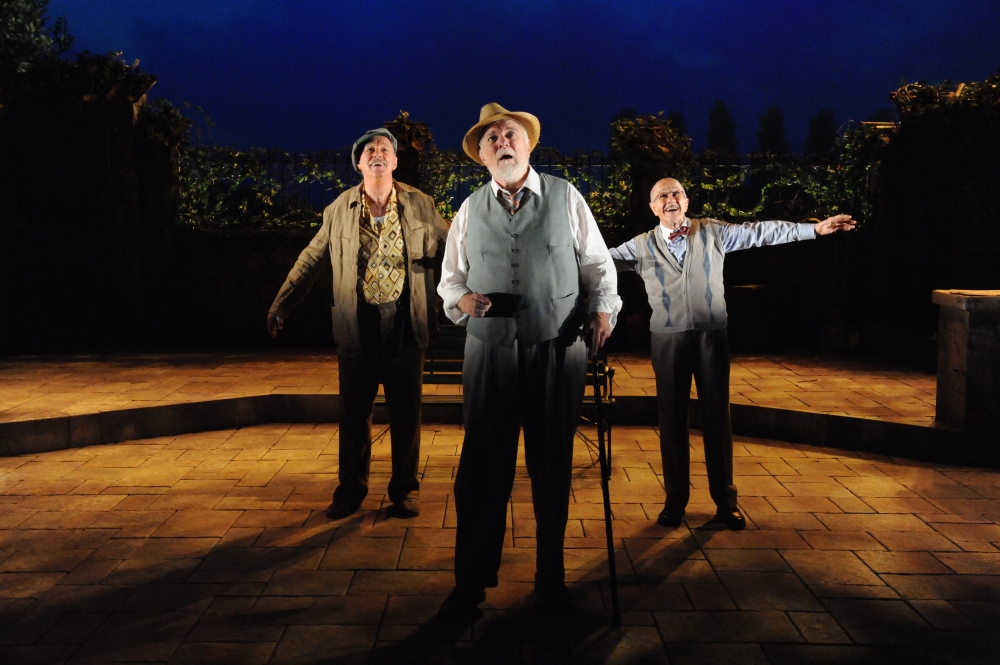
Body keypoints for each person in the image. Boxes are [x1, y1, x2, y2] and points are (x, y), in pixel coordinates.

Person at [436, 103, 621, 618]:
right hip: (489, 351)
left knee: (552, 463)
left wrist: (604, 308)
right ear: (483, 155)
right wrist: (462, 301)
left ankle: (550, 576)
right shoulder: (471, 207)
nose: (502, 141)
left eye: (509, 133)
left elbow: (598, 264)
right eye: (491, 138)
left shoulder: (566, 197)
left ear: (528, 145)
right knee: (482, 465)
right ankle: (472, 579)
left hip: (557, 348)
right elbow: (449, 280)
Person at [610, 177, 856, 530]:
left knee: (717, 418)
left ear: (686, 200)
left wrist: (814, 230)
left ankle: (725, 503)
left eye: (676, 193)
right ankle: (675, 502)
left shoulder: (712, 232)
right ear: (653, 207)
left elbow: (761, 232)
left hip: (712, 337)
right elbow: (596, 263)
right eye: (661, 196)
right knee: (672, 421)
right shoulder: (641, 245)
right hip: (667, 340)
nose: (670, 200)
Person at [267, 128, 449, 520]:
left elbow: (455, 248)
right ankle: (350, 490)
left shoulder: (421, 205)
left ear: (396, 161)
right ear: (359, 162)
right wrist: (282, 304)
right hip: (357, 325)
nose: (378, 153)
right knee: (353, 415)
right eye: (370, 150)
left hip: (405, 323)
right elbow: (311, 259)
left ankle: (404, 490)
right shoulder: (338, 210)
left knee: (406, 415)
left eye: (386, 149)